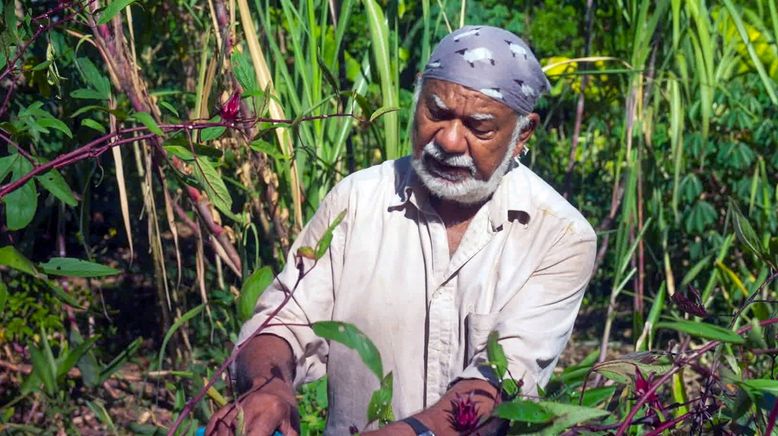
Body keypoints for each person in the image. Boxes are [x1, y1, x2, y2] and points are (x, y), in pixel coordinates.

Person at [207, 25, 596, 436]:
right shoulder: (357, 201)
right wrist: (270, 388)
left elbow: (500, 384)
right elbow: (285, 320)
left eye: (478, 127)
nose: (448, 140)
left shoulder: (559, 236)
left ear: (522, 135)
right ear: (417, 99)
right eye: (436, 112)